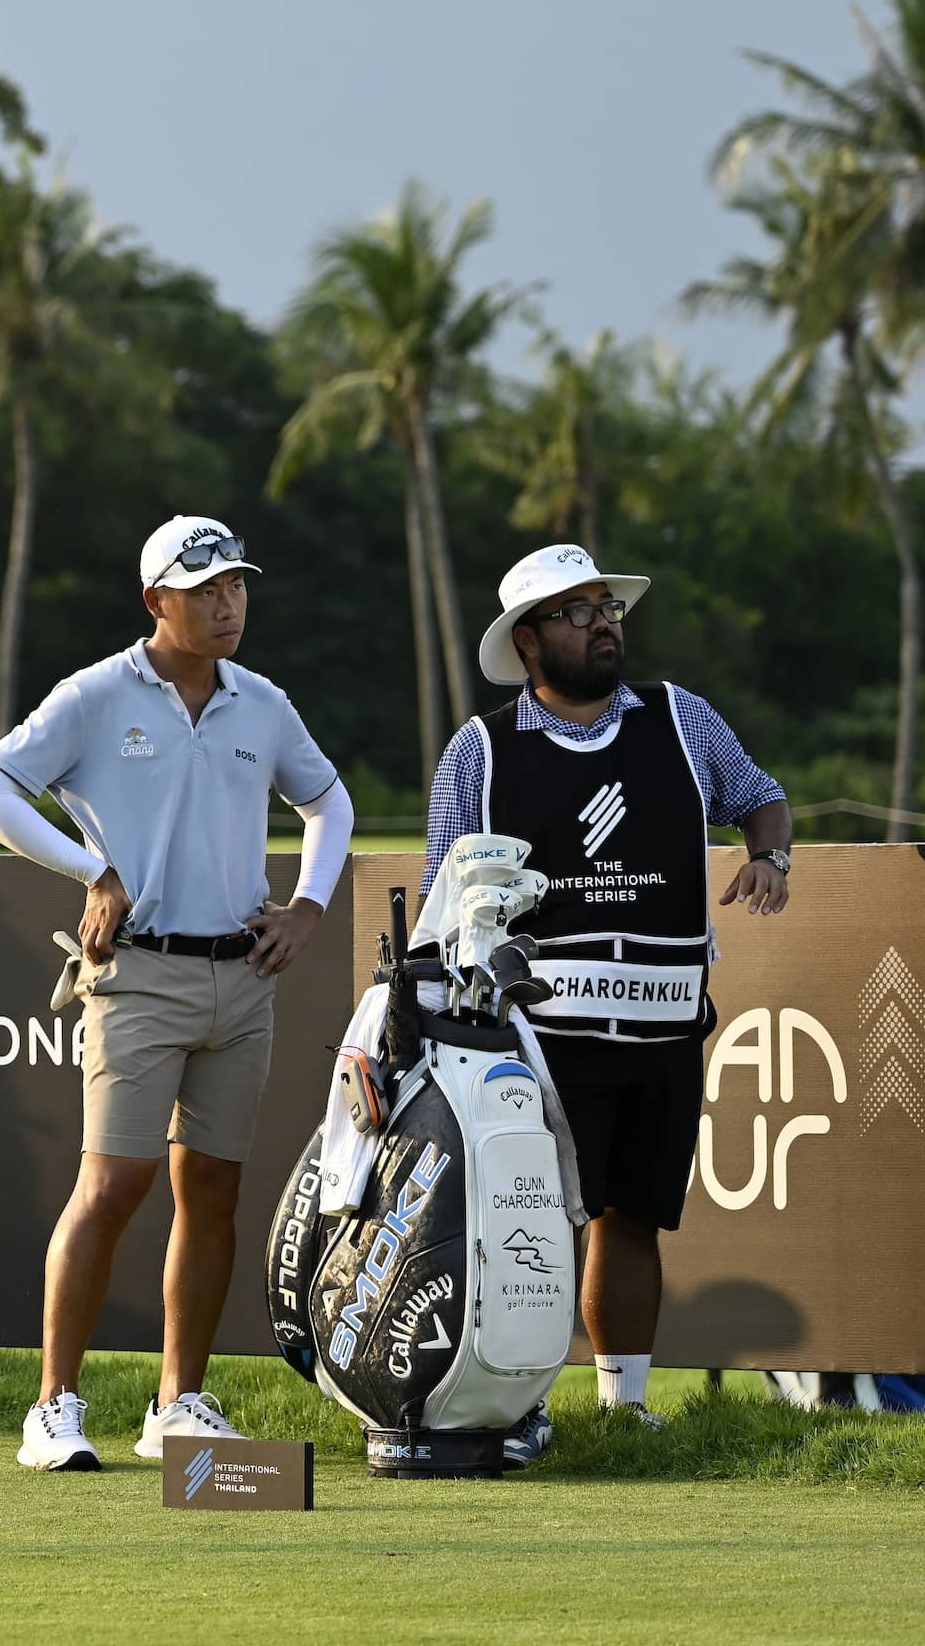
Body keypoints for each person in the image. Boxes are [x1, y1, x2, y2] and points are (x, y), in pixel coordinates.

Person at [0, 515, 353, 1471]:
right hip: (137, 973)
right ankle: (54, 1405)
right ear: (156, 601)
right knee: (113, 1182)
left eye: (237, 586)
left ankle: (179, 1404)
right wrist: (91, 869)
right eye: (205, 587)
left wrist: (305, 906)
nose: (227, 603)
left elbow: (328, 803)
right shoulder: (96, 694)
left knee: (210, 1189)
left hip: (241, 974)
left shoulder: (261, 702)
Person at [421, 542, 791, 1463]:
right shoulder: (482, 752)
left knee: (634, 1212)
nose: (602, 622)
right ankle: (520, 1404)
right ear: (531, 639)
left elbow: (761, 797)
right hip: (542, 1037)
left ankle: (621, 1407)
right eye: (578, 610)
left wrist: (769, 855)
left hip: (665, 1026)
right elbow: (443, 898)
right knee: (531, 1221)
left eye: (607, 608)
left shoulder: (683, 719)